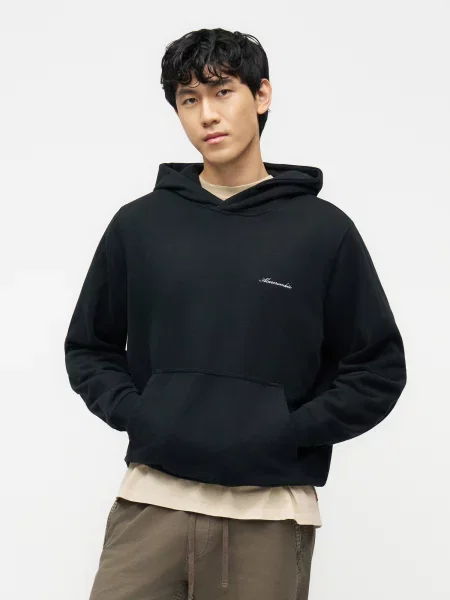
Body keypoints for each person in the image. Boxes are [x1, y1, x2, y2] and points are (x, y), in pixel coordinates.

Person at [64, 27, 407, 600]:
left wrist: (288, 431)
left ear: (261, 95)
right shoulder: (140, 225)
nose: (207, 115)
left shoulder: (324, 232)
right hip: (151, 502)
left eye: (222, 91)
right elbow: (89, 347)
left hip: (269, 515)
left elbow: (377, 368)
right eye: (189, 99)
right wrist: (143, 415)